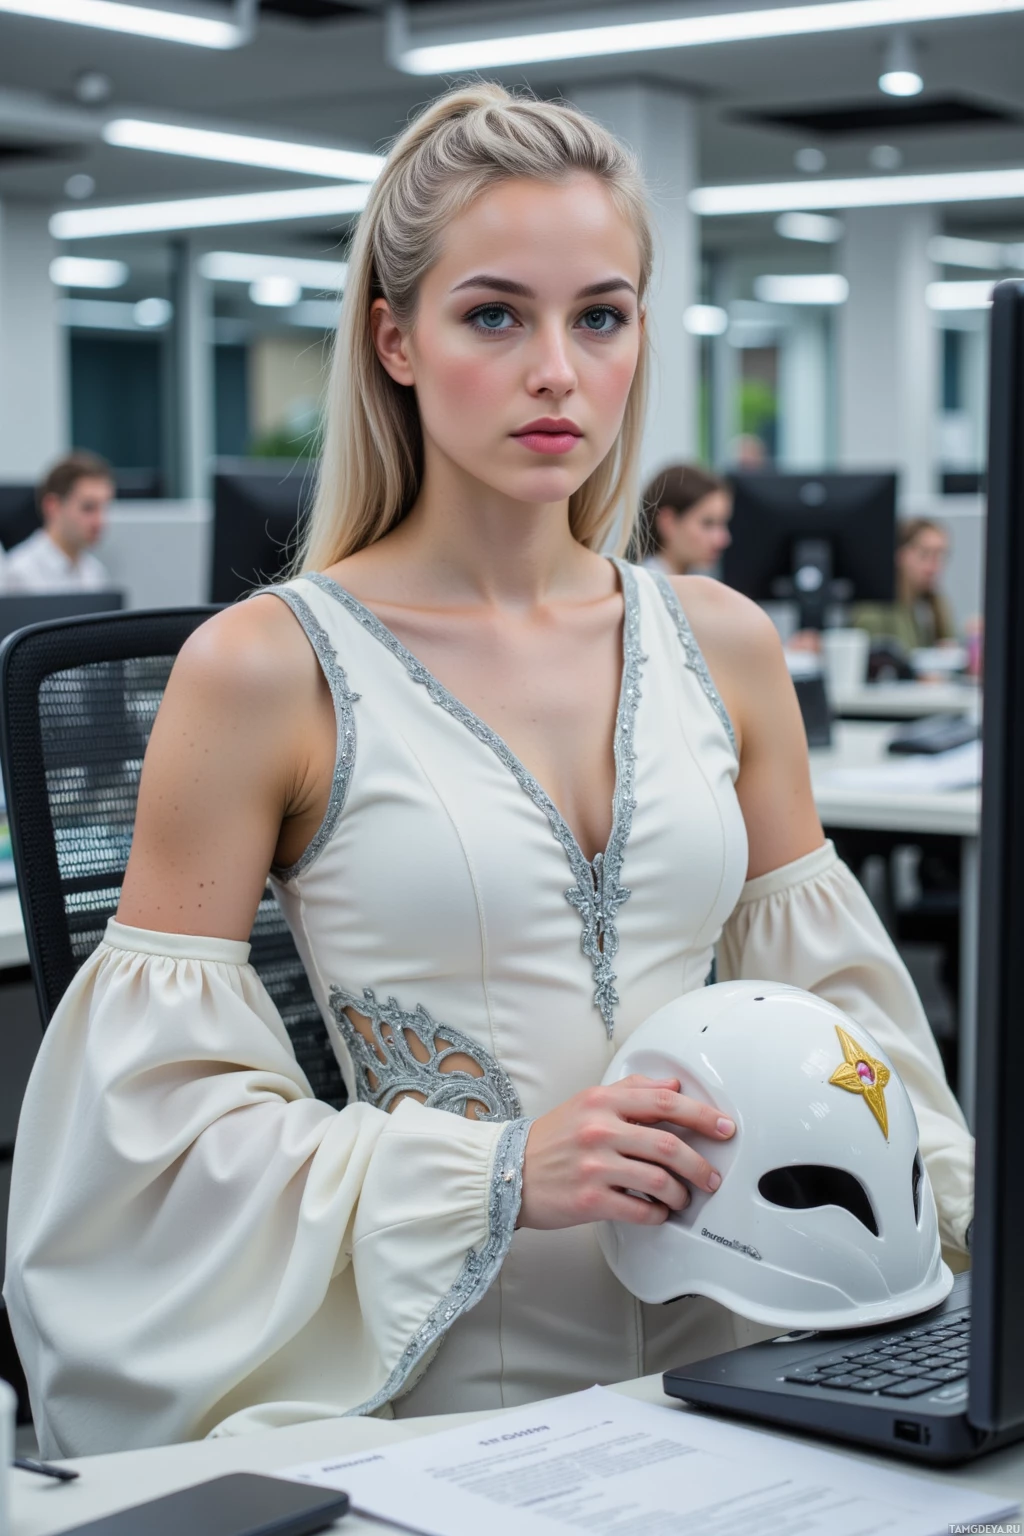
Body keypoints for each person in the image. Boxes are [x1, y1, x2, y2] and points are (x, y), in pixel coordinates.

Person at [5, 84, 972, 1458]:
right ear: (395, 339)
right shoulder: (265, 669)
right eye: (495, 315)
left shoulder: (723, 644)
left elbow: (855, 1041)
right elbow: (145, 1158)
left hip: (765, 1376)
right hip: (443, 1409)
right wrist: (503, 1169)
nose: (557, 372)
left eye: (602, 316)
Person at [4, 450, 113, 594]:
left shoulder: (95, 573)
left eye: (104, 507)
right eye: (88, 508)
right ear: (53, 506)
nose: (100, 521)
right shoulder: (18, 574)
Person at [852, 517, 957, 655]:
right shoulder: (875, 606)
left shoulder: (933, 604)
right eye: (925, 554)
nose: (935, 566)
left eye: (941, 556)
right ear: (900, 555)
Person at [633, 463, 732, 576]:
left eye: (723, 524)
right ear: (668, 523)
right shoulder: (644, 589)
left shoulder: (698, 584)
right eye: (708, 524)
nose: (723, 540)